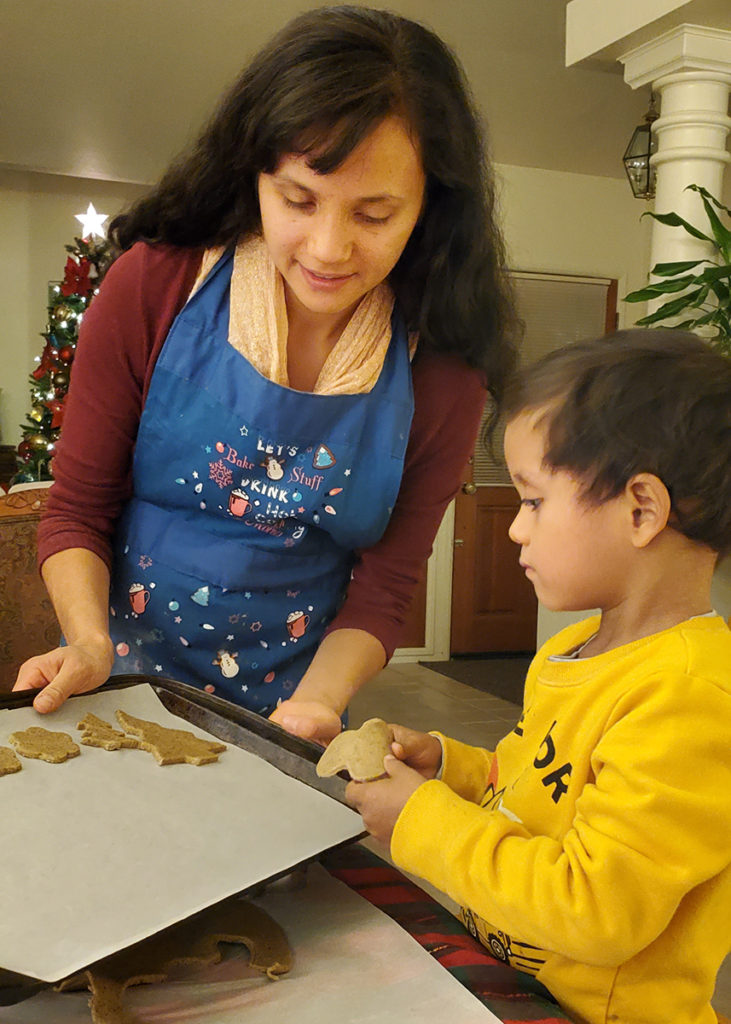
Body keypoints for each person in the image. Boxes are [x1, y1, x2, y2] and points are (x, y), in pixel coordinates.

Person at [13, 6, 518, 743]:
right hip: (120, 680)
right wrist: (88, 644)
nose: (327, 248)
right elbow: (77, 510)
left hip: (295, 705)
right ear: (251, 174)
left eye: (374, 215)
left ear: (430, 211)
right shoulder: (154, 286)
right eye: (297, 199)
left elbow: (385, 588)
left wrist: (315, 709)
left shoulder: (440, 374)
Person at [346, 330, 731, 1024]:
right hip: (507, 973)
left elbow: (595, 912)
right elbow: (534, 788)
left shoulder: (689, 694)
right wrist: (448, 769)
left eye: (532, 502)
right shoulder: (583, 644)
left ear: (639, 510)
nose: (515, 530)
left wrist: (421, 822)